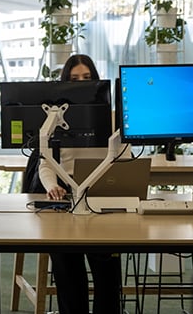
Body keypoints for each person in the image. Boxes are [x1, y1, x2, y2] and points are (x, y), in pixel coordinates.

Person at [38, 53, 125, 314]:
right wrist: (51, 185)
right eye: (75, 79)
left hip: (103, 200)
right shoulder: (54, 120)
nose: (81, 82)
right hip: (65, 200)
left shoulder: (111, 118)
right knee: (67, 270)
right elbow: (45, 163)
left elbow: (124, 158)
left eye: (87, 78)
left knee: (107, 276)